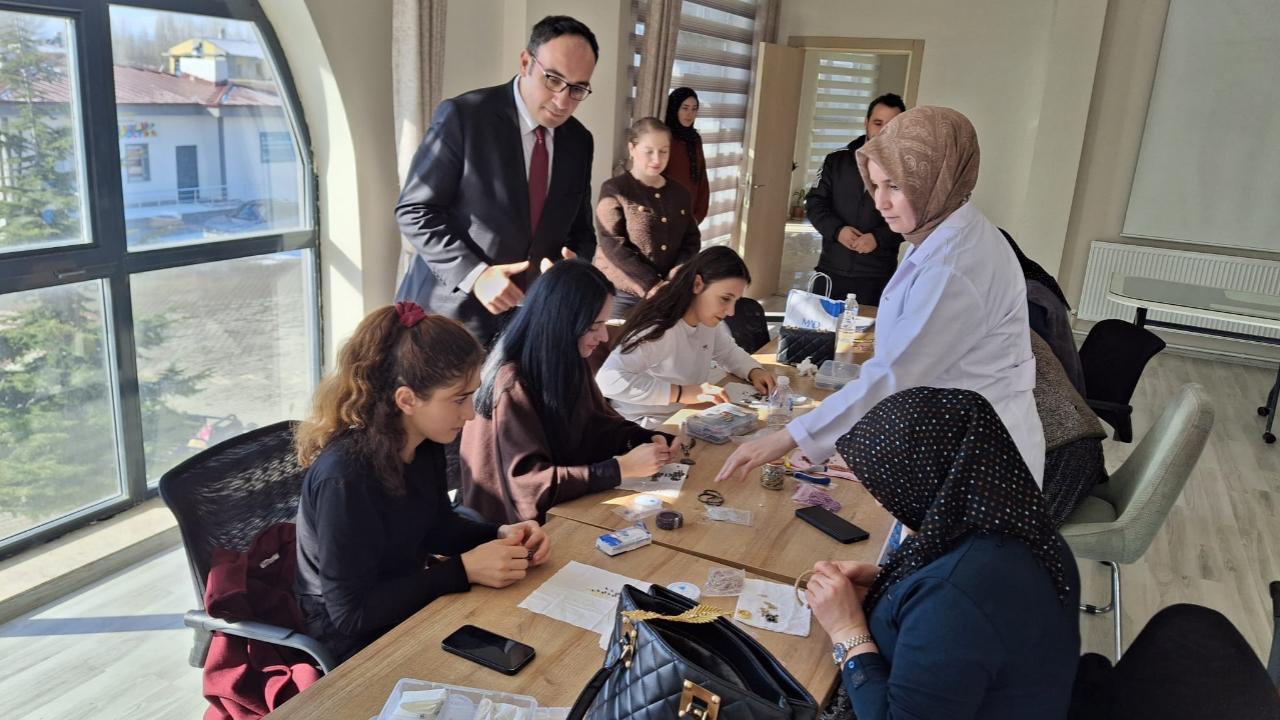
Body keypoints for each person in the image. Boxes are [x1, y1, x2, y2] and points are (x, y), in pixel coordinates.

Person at [717, 106, 1046, 487]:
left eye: (895, 186)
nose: (880, 202)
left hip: (979, 458)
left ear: (934, 181)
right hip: (956, 432)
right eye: (875, 185)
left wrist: (790, 436)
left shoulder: (954, 266)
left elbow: (895, 374)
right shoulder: (949, 231)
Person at [293, 303, 550, 663]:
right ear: (407, 400)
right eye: (459, 399)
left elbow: (436, 527)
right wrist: (464, 569)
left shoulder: (424, 442)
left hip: (409, 603)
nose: (471, 413)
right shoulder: (346, 478)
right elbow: (351, 614)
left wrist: (502, 535)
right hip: (355, 645)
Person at [805, 387, 1080, 720]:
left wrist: (846, 630)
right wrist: (888, 583)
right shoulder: (1018, 524)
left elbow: (956, 611)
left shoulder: (955, 596)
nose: (881, 502)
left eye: (889, 487)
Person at [396, 16, 600, 346]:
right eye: (553, 80)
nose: (563, 100)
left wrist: (571, 268)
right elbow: (414, 211)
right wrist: (476, 276)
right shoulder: (464, 117)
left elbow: (581, 231)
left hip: (531, 320)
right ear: (525, 62)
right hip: (449, 317)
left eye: (577, 88)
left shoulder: (580, 141)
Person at [461, 260, 677, 524]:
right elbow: (529, 485)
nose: (604, 337)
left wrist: (646, 438)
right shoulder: (511, 382)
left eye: (604, 324)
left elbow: (596, 427)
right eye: (593, 326)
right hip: (515, 532)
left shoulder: (569, 359)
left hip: (565, 510)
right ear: (561, 322)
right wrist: (621, 469)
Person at [596, 246, 777, 426]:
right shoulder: (659, 328)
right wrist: (681, 393)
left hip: (685, 412)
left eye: (735, 301)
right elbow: (608, 380)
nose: (730, 311)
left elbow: (727, 352)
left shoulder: (708, 322)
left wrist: (754, 370)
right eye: (725, 298)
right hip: (647, 423)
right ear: (697, 284)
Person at [594, 117, 701, 319]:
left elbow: (691, 241)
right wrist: (652, 284)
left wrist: (674, 278)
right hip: (621, 295)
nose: (657, 159)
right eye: (649, 151)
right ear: (632, 149)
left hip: (668, 293)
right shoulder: (615, 189)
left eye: (663, 151)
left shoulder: (680, 193)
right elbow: (613, 245)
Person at [805, 93, 906, 306]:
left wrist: (878, 238)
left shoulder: (907, 169)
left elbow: (914, 216)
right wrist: (837, 231)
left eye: (891, 125)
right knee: (822, 335)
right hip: (832, 270)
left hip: (877, 275)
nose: (882, 130)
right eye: (877, 123)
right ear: (866, 123)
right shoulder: (836, 161)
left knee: (870, 338)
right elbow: (815, 204)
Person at [662, 87, 710, 224]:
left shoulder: (695, 139)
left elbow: (702, 180)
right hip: (666, 217)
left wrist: (698, 216)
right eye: (685, 108)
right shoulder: (664, 139)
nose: (690, 114)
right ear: (674, 108)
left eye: (694, 109)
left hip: (690, 217)